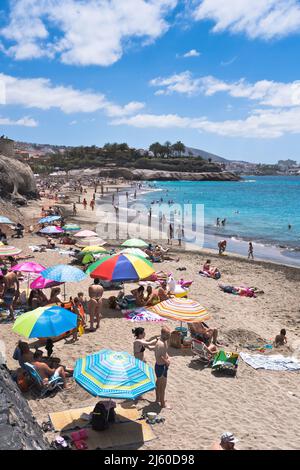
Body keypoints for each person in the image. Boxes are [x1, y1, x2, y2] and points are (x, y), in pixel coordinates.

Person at [154, 326, 171, 409]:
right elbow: (160, 356)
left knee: (158, 384)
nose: (169, 336)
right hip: (161, 367)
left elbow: (164, 353)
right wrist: (166, 362)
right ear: (163, 334)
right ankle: (163, 404)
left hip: (160, 366)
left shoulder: (163, 341)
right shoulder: (160, 344)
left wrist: (167, 357)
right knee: (162, 387)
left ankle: (158, 399)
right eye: (167, 335)